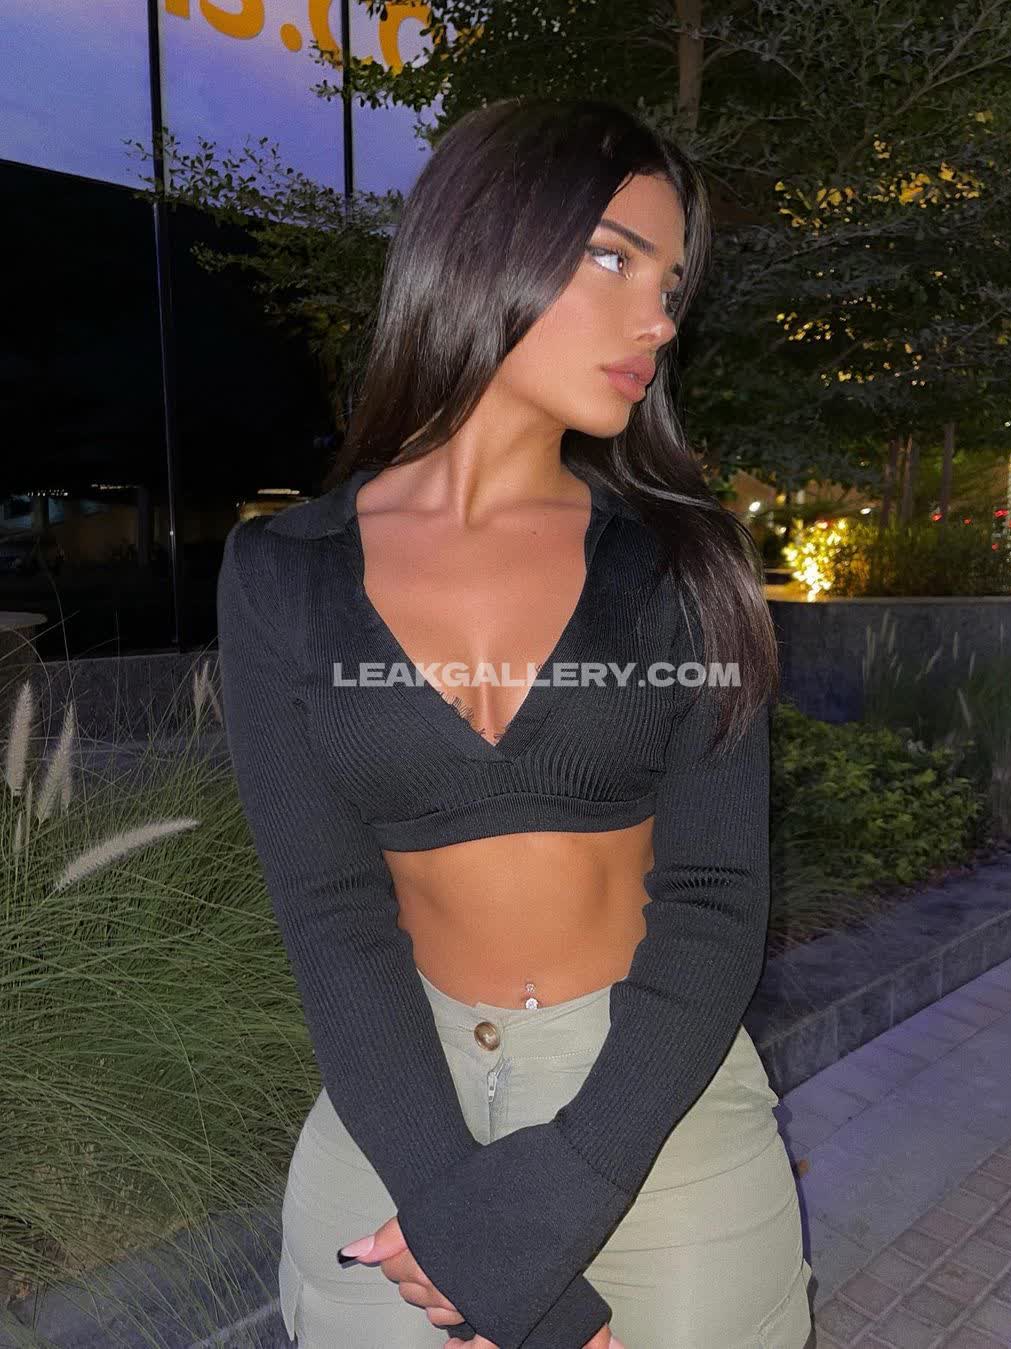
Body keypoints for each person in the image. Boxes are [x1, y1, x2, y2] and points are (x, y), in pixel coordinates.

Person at [216, 95, 814, 1349]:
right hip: (397, 1109)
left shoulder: (684, 564)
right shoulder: (282, 575)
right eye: (614, 257)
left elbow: (715, 897)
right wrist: (474, 1234)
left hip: (652, 1107)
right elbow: (330, 912)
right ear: (486, 240)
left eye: (672, 283)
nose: (660, 318)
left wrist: (551, 1205)